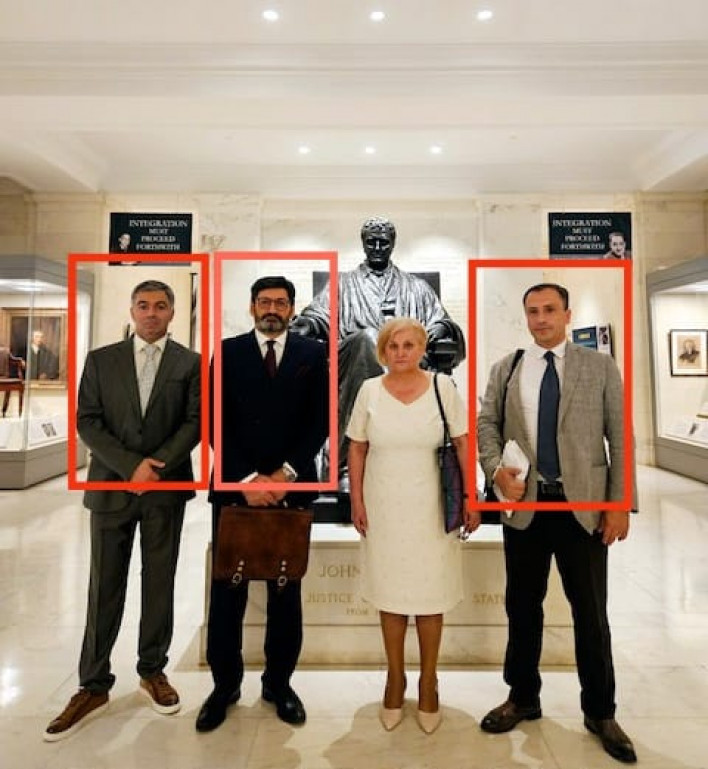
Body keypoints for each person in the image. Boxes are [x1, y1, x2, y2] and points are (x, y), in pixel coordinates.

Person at [477, 283, 637, 764]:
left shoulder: (599, 367)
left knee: (590, 613)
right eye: (533, 311)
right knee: (522, 607)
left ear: (567, 314)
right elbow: (487, 425)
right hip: (525, 508)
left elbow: (620, 436)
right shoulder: (507, 368)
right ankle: (523, 697)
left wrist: (619, 504)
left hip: (581, 509)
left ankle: (601, 711)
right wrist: (494, 470)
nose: (541, 318)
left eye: (549, 310)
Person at [43, 280, 201, 741]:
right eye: (143, 305)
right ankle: (93, 684)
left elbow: (195, 421)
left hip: (165, 490)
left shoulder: (190, 363)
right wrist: (132, 466)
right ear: (132, 311)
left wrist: (157, 466)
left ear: (172, 312)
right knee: (104, 586)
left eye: (160, 306)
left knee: (159, 581)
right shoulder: (101, 360)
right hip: (112, 487)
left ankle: (153, 671)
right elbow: (87, 420)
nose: (151, 313)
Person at [197, 276, 329, 733]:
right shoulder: (227, 351)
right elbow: (214, 420)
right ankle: (224, 687)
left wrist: (284, 475)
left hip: (291, 490)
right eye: (264, 301)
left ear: (292, 308)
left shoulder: (313, 354)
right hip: (236, 490)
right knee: (227, 592)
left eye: (281, 302)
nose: (272, 308)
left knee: (285, 592)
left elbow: (320, 420)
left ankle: (279, 685)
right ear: (252, 307)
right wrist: (248, 479)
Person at [346, 318, 480, 734]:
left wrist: (471, 496)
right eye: (393, 346)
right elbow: (357, 447)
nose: (401, 352)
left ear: (422, 349)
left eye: (409, 345)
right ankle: (395, 679)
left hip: (432, 508)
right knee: (390, 594)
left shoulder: (443, 388)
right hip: (384, 507)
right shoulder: (369, 390)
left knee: (430, 595)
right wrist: (357, 500)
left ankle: (428, 681)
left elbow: (462, 442)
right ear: (383, 351)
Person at [291, 217, 465, 488]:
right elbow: (319, 314)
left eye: (383, 242)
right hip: (352, 362)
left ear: (393, 244)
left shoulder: (416, 287)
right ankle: (349, 463)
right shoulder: (342, 284)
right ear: (363, 243)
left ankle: (402, 451)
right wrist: (307, 324)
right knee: (367, 339)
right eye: (370, 242)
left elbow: (443, 322)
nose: (377, 248)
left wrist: (440, 328)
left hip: (411, 365)